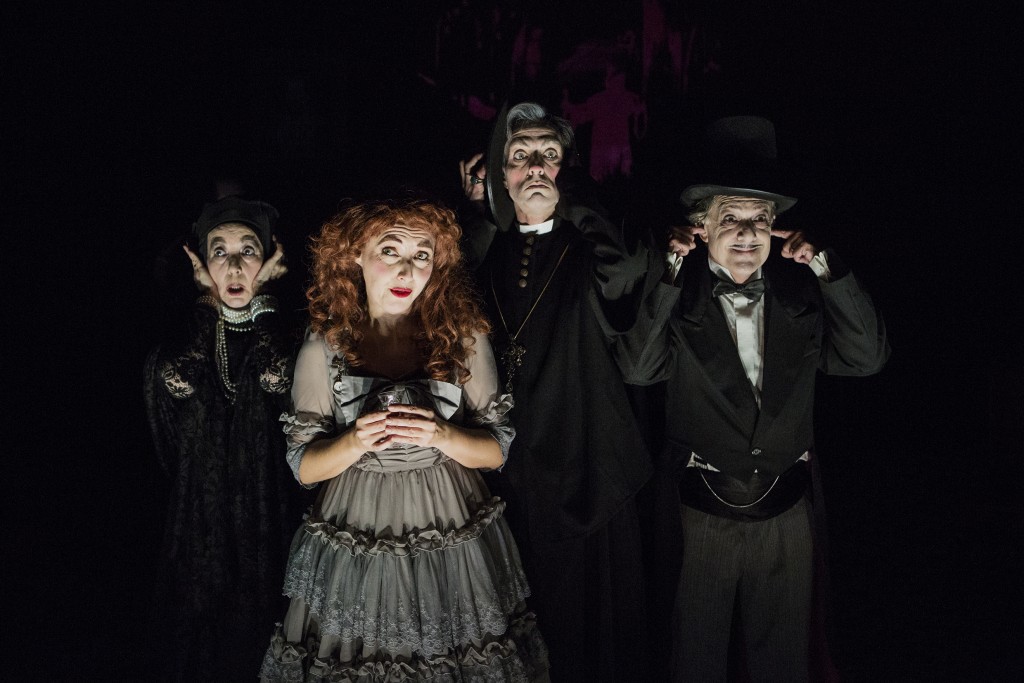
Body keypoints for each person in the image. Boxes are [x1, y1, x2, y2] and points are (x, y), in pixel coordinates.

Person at [611, 116, 890, 681]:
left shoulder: (801, 294)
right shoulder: (677, 293)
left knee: (782, 661)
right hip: (702, 516)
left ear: (775, 227)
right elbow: (638, 369)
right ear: (702, 227)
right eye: (731, 219)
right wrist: (669, 269)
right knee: (695, 658)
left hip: (787, 512)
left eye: (759, 220)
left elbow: (867, 357)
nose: (746, 234)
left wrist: (826, 265)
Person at [258, 200, 548, 682]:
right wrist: (354, 442)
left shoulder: (462, 336)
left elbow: (497, 449)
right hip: (358, 525)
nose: (406, 270)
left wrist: (442, 434)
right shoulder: (325, 345)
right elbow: (303, 466)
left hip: (449, 523)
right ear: (355, 253)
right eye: (390, 250)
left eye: (421, 255)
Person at [457, 102, 653, 682]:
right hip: (507, 469)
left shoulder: (589, 242)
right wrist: (483, 210)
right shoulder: (489, 247)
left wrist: (572, 200)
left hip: (584, 457)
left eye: (550, 155)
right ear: (499, 172)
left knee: (583, 631)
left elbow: (624, 274)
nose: (536, 167)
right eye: (519, 156)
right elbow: (448, 288)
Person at [144, 195, 306, 681]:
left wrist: (266, 300)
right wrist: (205, 303)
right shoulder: (180, 339)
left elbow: (280, 378)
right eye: (219, 252)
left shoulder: (290, 334)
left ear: (272, 259)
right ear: (199, 263)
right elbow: (179, 382)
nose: (234, 267)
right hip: (200, 532)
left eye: (248, 250)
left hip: (272, 525)